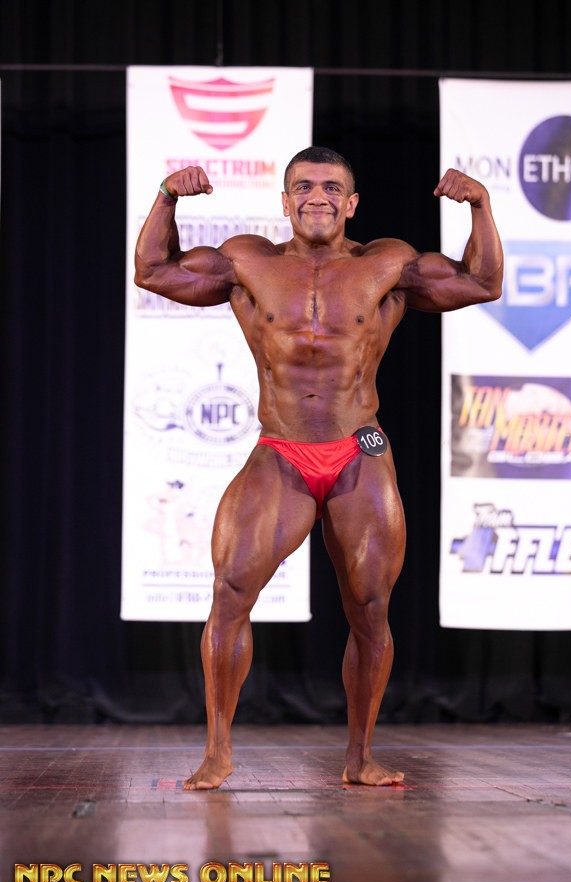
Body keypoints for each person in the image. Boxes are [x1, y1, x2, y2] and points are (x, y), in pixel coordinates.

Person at [134, 147, 503, 789]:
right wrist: (167, 197)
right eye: (303, 186)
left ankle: (361, 756)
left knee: (370, 609)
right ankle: (217, 751)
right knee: (230, 592)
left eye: (332, 188)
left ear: (351, 203)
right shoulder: (247, 261)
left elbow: (482, 283)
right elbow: (152, 271)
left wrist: (481, 205)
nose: (317, 197)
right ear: (284, 201)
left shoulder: (387, 263)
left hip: (359, 449)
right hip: (281, 450)